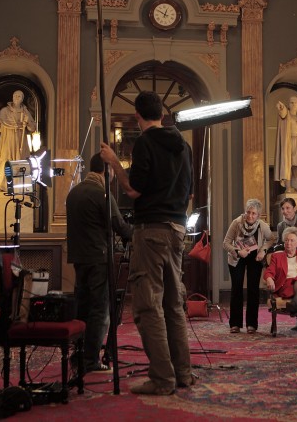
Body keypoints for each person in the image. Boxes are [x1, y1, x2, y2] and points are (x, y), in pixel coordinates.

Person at [99, 91, 194, 396]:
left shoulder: (145, 142)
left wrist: (114, 162)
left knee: (148, 305)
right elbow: (189, 193)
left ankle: (162, 378)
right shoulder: (184, 146)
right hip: (178, 229)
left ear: (138, 117)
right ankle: (183, 374)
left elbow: (134, 190)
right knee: (173, 305)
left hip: (151, 230)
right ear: (163, 114)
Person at [66, 153, 133, 374]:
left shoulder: (73, 193)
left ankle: (78, 354)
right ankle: (91, 360)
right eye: (113, 171)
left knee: (82, 306)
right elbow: (119, 227)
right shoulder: (101, 194)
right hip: (98, 259)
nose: (113, 176)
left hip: (79, 258)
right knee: (98, 309)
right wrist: (137, 232)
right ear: (107, 171)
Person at [223, 198, 276, 334]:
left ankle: (252, 324)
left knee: (253, 289)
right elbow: (226, 243)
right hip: (237, 257)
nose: (250, 216)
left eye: (253, 213)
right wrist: (237, 251)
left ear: (258, 215)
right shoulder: (236, 223)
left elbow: (271, 239)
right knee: (237, 289)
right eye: (248, 212)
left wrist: (263, 250)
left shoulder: (263, 226)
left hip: (255, 257)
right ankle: (235, 324)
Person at [264, 227, 297, 327]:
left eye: (292, 240)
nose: (288, 243)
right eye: (286, 240)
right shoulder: (277, 256)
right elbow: (269, 271)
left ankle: (294, 305)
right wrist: (269, 279)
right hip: (286, 286)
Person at [0, 90, 37, 192]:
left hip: (20, 140)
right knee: (6, 160)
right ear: (12, 97)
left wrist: (28, 122)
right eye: (15, 95)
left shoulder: (25, 112)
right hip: (8, 140)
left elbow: (33, 127)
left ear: (22, 99)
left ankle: (19, 188)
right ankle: (2, 186)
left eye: (19, 96)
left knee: (20, 161)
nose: (17, 97)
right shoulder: (5, 111)